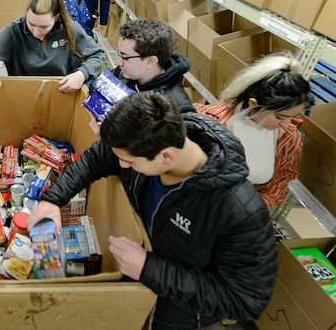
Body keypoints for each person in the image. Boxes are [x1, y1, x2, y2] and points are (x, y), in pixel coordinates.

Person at [28, 91, 277, 330]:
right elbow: (99, 157)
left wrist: (150, 269)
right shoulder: (147, 140)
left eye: (129, 161)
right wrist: (53, 199)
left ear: (166, 157)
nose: (121, 164)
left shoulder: (240, 211)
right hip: (130, 289)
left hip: (173, 312)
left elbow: (246, 300)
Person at [0, 0, 104, 144]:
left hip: (60, 99)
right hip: (22, 101)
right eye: (31, 24)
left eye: (43, 27)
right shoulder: (14, 31)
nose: (36, 31)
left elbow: (97, 54)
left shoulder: (69, 29)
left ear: (57, 18)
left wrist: (81, 74)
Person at [194, 51, 313, 209]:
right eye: (280, 117)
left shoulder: (289, 139)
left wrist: (261, 204)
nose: (287, 124)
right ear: (253, 104)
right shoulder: (206, 122)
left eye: (293, 116)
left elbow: (284, 177)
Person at [113, 18, 195, 114]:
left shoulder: (173, 109)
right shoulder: (126, 72)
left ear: (151, 61)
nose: (118, 62)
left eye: (125, 57)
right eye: (120, 55)